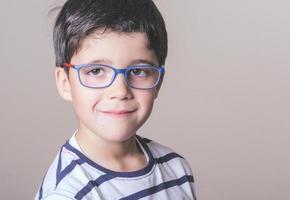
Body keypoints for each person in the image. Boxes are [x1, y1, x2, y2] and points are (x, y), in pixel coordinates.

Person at [35, 0, 196, 199]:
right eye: (96, 71)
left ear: (158, 82)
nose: (120, 90)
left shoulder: (176, 169)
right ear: (64, 83)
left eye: (138, 71)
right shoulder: (67, 193)